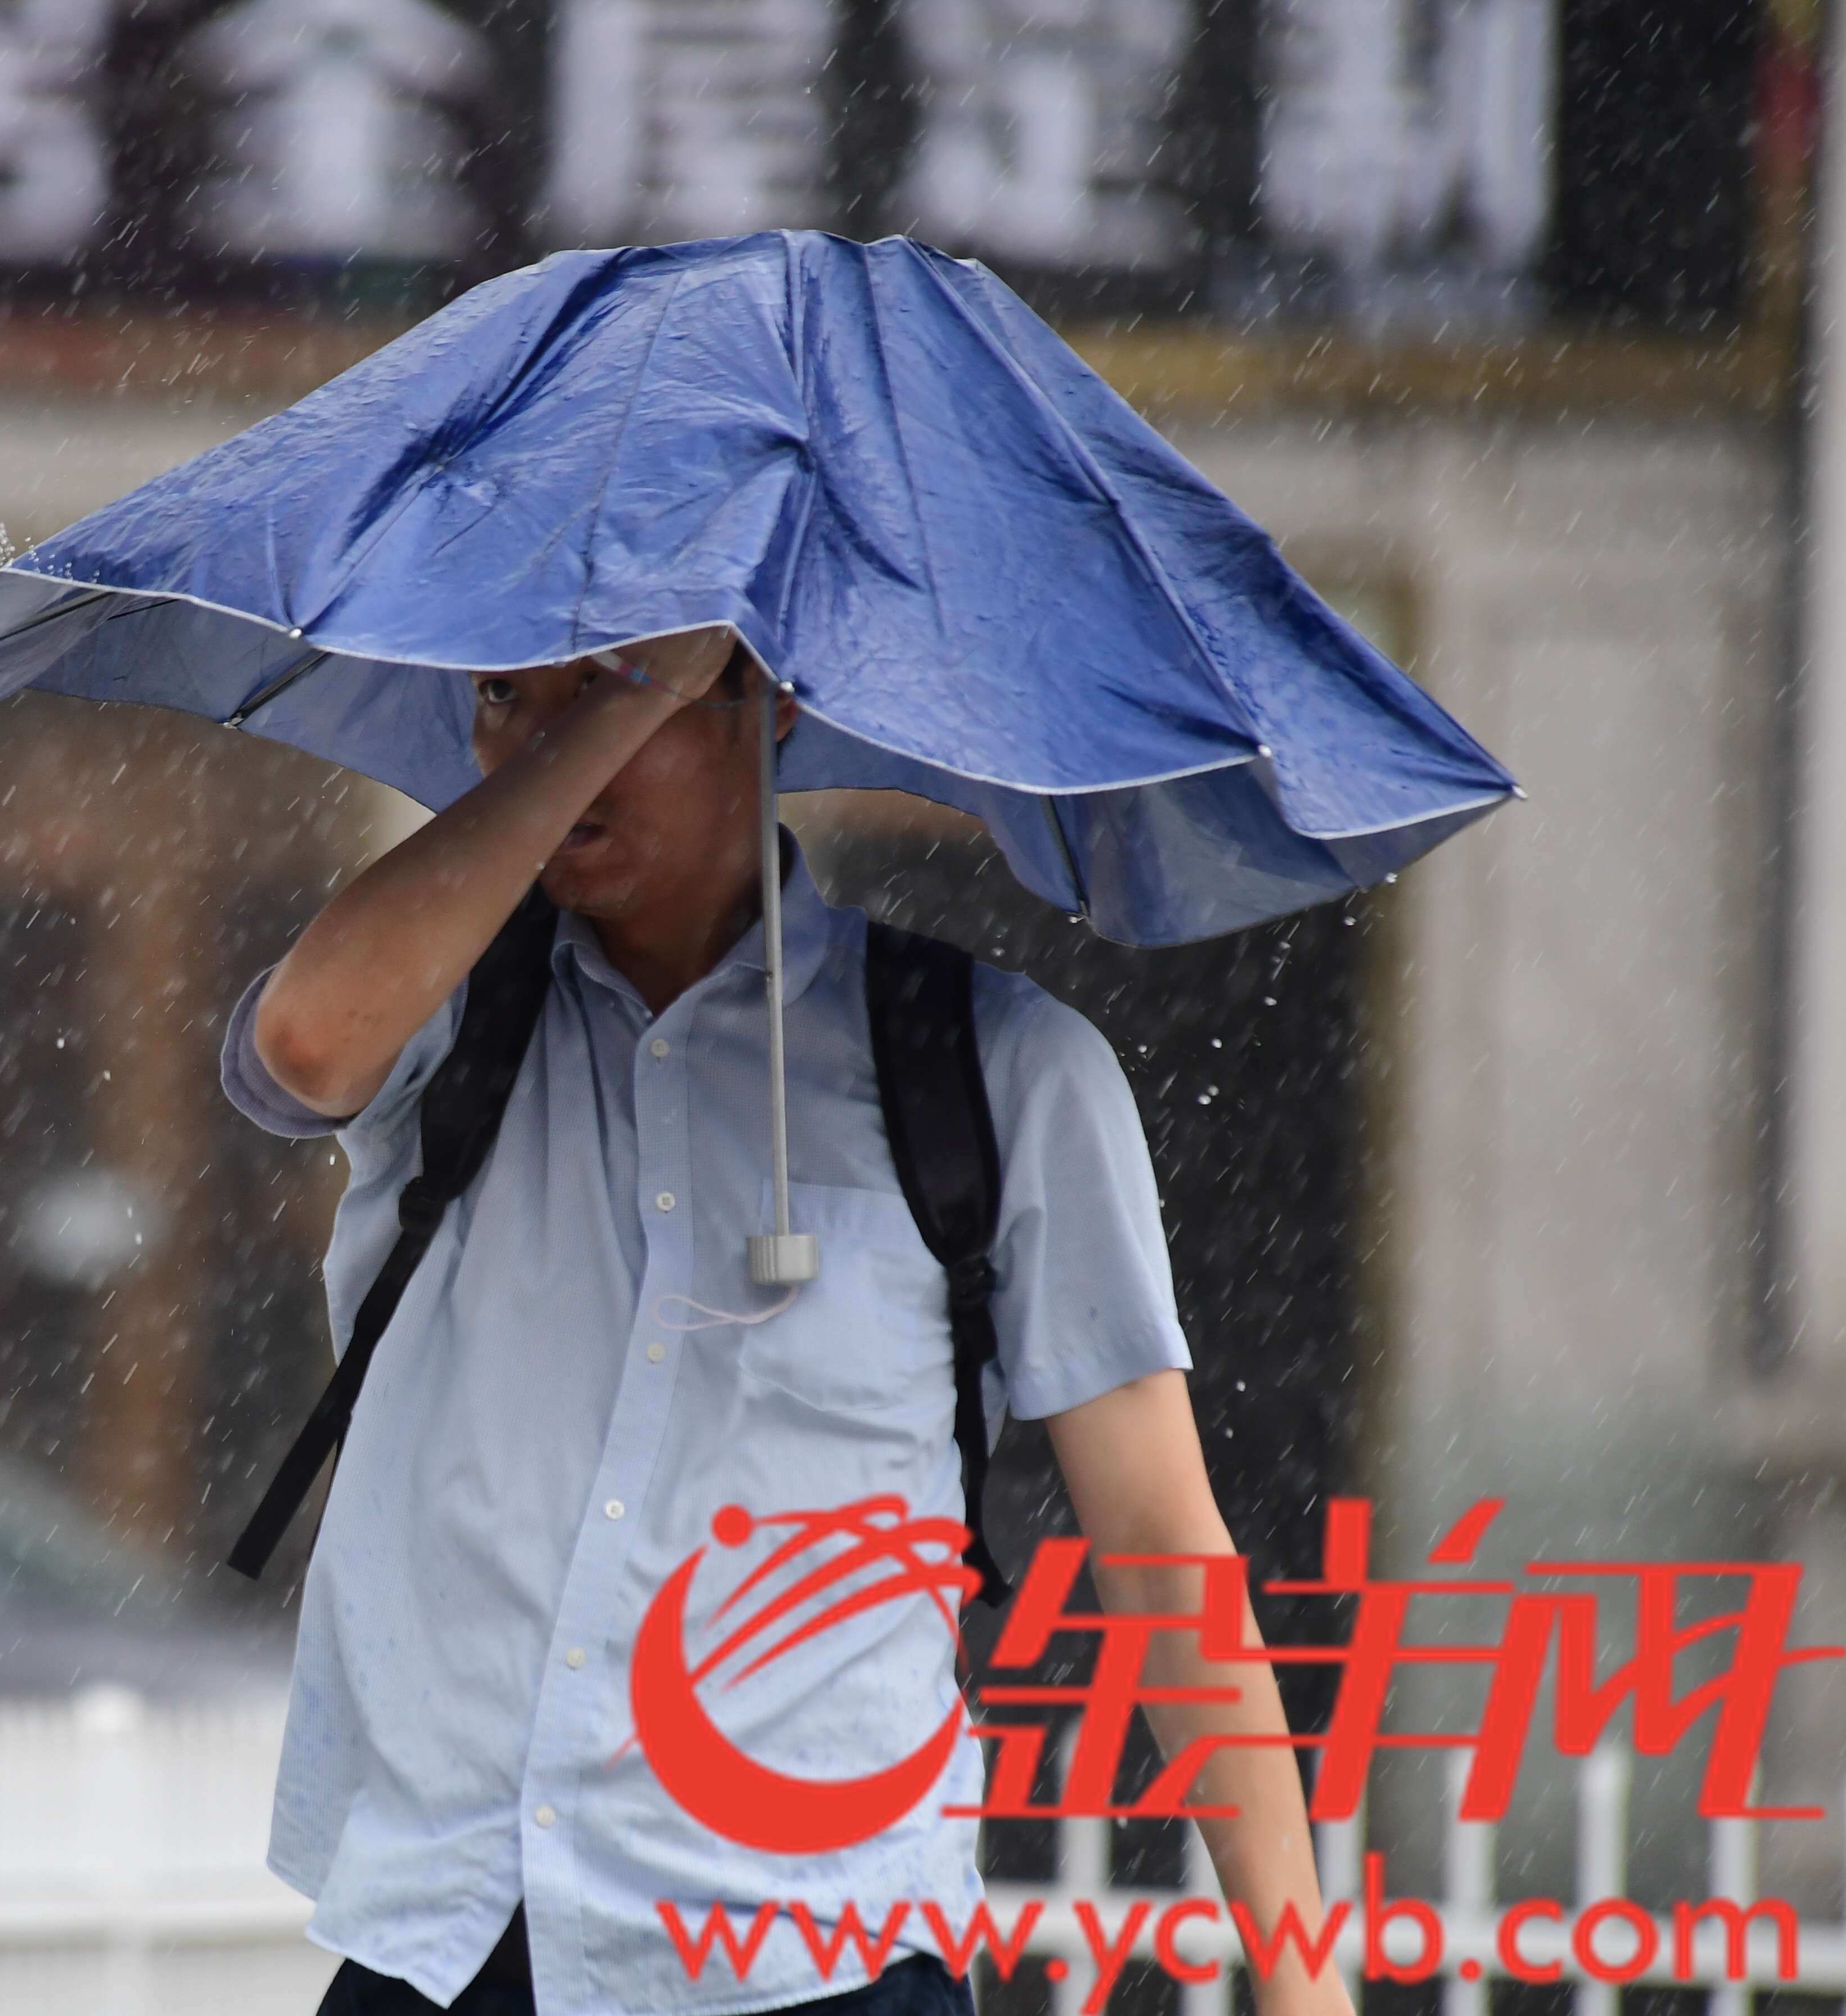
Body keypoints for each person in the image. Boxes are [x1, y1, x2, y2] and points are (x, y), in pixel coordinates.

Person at [222, 625, 1355, 2016]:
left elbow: (1167, 1546)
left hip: (824, 1955)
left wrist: (1306, 1993)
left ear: (767, 702)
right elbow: (303, 1044)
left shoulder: (1000, 1067)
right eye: (501, 696)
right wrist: (617, 711)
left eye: (610, 685)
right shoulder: (447, 1017)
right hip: (456, 1941)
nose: (536, 736)